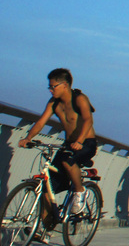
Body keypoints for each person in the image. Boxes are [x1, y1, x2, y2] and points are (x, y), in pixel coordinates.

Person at [17, 68, 98, 232]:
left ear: (65, 85)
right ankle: (44, 228)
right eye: (50, 87)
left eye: (53, 86)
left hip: (86, 143)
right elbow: (41, 122)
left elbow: (88, 120)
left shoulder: (80, 98)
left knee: (67, 160)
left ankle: (80, 192)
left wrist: (80, 141)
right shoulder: (53, 103)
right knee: (47, 188)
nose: (50, 89)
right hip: (69, 144)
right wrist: (28, 138)